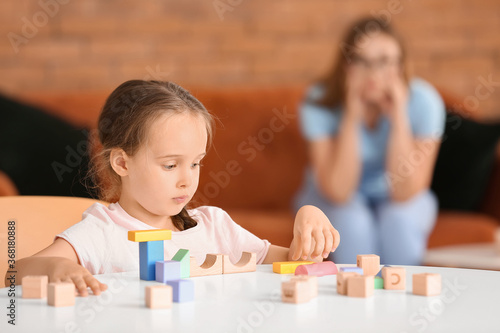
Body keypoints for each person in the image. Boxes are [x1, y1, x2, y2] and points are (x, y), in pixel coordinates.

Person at [9, 80, 340, 296]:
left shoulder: (215, 227)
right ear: (122, 163)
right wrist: (59, 266)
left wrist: (308, 218)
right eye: (170, 165)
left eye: (195, 163)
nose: (187, 179)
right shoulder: (101, 232)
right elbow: (18, 270)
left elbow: (293, 264)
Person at [293, 17, 445, 266]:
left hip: (398, 197)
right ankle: (357, 296)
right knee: (352, 221)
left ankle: (402, 300)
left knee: (400, 221)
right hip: (331, 195)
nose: (374, 73)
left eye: (385, 61)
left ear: (400, 65)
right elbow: (339, 192)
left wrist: (399, 119)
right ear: (346, 65)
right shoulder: (317, 100)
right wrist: (351, 117)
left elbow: (405, 192)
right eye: (362, 62)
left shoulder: (425, 102)